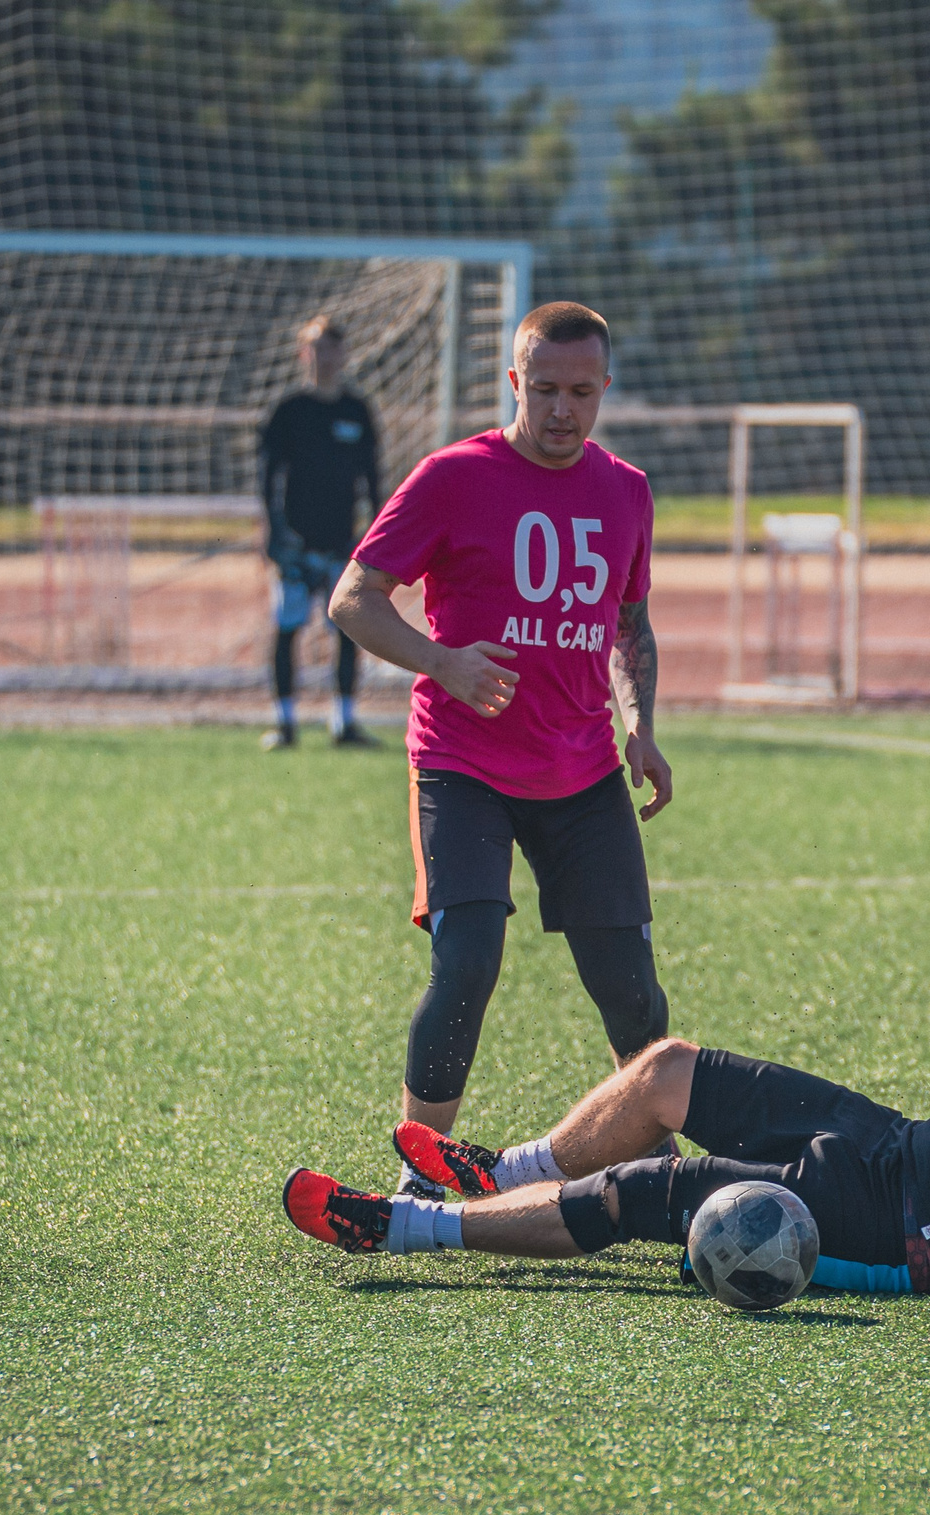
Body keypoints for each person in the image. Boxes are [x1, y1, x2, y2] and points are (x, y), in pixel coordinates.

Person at [283, 899, 930, 1311]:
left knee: (649, 1191)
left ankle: (406, 1227)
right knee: (670, 1069)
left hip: (893, 1221)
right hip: (886, 1144)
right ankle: (510, 1176)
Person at [326, 301, 673, 1204]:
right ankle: (417, 1171)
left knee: (632, 991)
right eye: (547, 390)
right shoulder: (452, 477)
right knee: (467, 958)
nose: (564, 410)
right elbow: (353, 599)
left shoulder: (626, 489)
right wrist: (441, 659)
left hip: (583, 769)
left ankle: (652, 1170)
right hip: (462, 763)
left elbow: (628, 627)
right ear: (514, 383)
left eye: (583, 392)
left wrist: (640, 724)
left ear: (606, 388)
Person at [259, 316, 382, 749]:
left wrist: (373, 537)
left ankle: (343, 723)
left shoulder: (357, 411)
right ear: (302, 353)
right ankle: (284, 722)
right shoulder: (289, 411)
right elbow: (267, 478)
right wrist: (275, 536)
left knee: (348, 630)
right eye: (315, 347)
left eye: (331, 347)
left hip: (344, 545)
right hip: (296, 543)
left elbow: (373, 480)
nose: (324, 356)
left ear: (342, 354)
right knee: (287, 627)